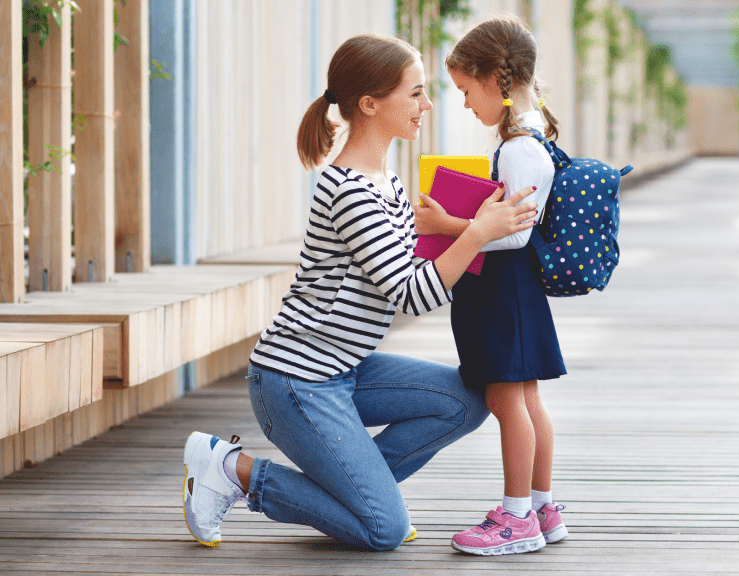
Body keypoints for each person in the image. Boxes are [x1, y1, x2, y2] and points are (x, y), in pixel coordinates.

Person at [181, 33, 539, 551]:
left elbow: (410, 265)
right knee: (382, 530)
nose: (428, 104)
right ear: (370, 104)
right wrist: (479, 231)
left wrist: (459, 225)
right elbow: (412, 294)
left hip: (345, 369)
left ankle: (356, 496)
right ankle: (234, 470)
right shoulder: (349, 190)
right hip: (296, 381)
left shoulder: (386, 183)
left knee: (466, 399)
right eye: (415, 93)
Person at [412, 17, 568, 556]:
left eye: (465, 90)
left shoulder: (519, 148)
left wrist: (445, 227)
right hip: (513, 293)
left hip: (503, 291)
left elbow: (512, 235)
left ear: (496, 80)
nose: (463, 103)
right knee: (526, 401)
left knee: (508, 403)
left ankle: (517, 515)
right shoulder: (531, 138)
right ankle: (542, 507)